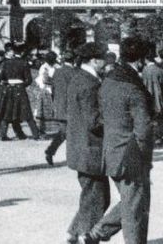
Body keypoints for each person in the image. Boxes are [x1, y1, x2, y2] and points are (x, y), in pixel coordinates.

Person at [82, 37, 153, 244]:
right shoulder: (133, 88)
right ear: (140, 60)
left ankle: (97, 233)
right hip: (131, 155)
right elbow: (144, 128)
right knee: (134, 207)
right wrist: (144, 158)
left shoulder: (108, 82)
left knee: (133, 200)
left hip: (112, 151)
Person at [64, 43, 109, 243]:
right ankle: (85, 236)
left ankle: (74, 233)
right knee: (97, 198)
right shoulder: (90, 83)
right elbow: (94, 121)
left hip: (80, 146)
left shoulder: (78, 78)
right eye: (103, 60)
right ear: (94, 60)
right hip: (91, 148)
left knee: (92, 195)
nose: (105, 64)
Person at [0, 43, 41, 140]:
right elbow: (29, 80)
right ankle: (35, 134)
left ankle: (2, 134)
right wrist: (21, 85)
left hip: (8, 89)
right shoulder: (24, 63)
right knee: (27, 112)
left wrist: (6, 82)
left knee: (7, 111)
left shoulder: (5, 63)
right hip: (20, 89)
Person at [46, 50, 77, 166]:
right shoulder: (74, 73)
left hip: (59, 106)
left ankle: (50, 151)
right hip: (71, 107)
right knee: (71, 133)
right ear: (74, 60)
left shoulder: (57, 72)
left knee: (64, 132)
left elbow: (53, 89)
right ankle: (71, 157)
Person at [34, 51, 58, 135]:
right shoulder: (44, 67)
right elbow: (44, 79)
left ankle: (53, 128)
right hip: (45, 89)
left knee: (52, 108)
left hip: (53, 89)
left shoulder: (55, 67)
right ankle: (43, 129)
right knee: (45, 108)